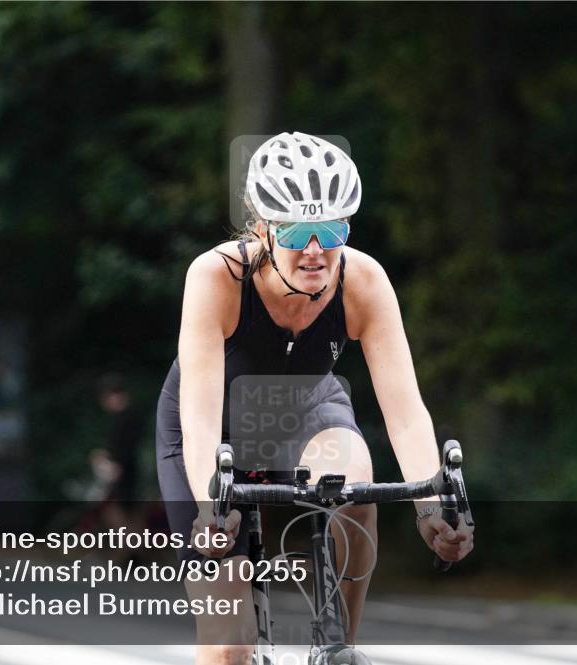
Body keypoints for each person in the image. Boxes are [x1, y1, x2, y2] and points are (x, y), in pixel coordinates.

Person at [155, 132, 474, 664]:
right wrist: (212, 507)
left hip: (305, 411)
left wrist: (431, 509)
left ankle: (337, 646)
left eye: (330, 230)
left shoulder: (363, 280)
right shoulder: (215, 276)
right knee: (227, 648)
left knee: (355, 479)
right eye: (298, 231)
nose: (314, 249)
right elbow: (201, 413)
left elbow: (405, 411)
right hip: (211, 430)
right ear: (262, 229)